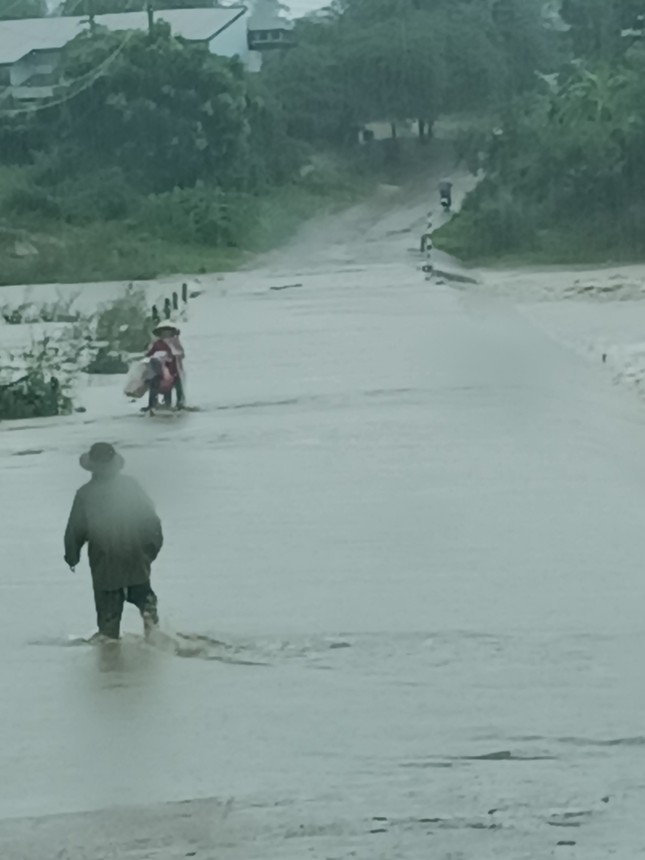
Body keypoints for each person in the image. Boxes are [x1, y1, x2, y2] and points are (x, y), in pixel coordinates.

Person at [64, 443, 163, 641]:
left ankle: (110, 660)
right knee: (148, 608)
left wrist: (72, 556)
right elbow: (152, 522)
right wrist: (150, 551)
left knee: (108, 633)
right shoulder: (131, 486)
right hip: (136, 561)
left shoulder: (85, 494)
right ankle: (156, 644)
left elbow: (75, 530)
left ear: (92, 467)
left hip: (105, 568)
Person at [145, 323, 186, 412]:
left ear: (172, 333)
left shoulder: (175, 343)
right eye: (164, 332)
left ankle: (178, 404)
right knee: (154, 385)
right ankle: (151, 405)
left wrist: (172, 354)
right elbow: (149, 354)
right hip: (159, 370)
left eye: (168, 331)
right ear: (161, 333)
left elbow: (181, 354)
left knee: (176, 386)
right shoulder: (157, 343)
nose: (166, 334)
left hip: (173, 369)